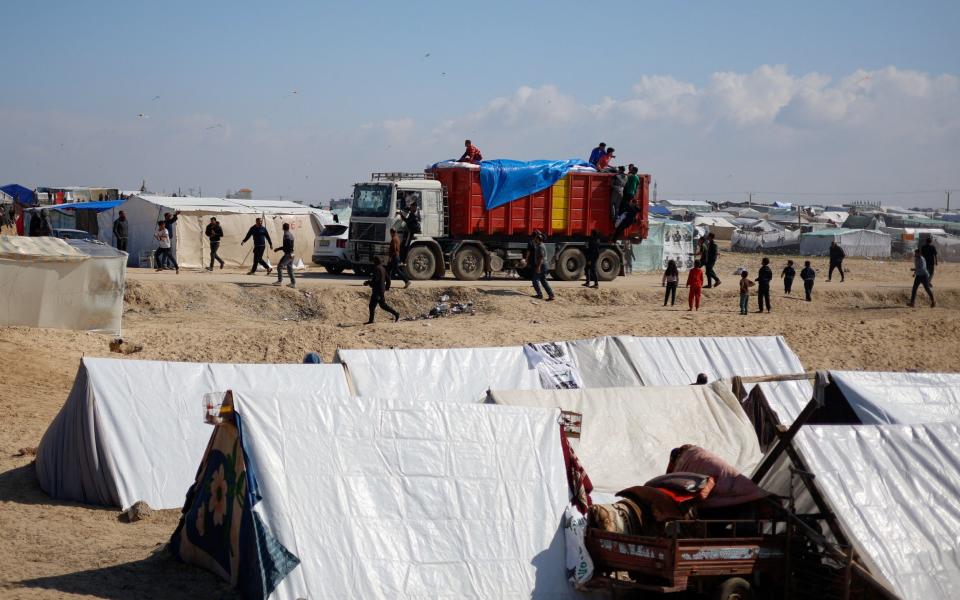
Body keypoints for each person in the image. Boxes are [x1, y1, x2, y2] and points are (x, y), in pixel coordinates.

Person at [365, 256, 400, 323]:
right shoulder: (383, 268)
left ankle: (371, 320)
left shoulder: (377, 269)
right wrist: (387, 287)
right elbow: (388, 279)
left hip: (377, 290)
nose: (373, 263)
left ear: (376, 262)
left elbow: (376, 280)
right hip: (381, 289)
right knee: (383, 305)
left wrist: (368, 282)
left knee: (372, 305)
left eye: (374, 261)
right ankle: (396, 314)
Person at [530, 233, 554, 301]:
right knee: (543, 280)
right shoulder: (541, 245)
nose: (534, 239)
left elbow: (540, 257)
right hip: (544, 265)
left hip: (542, 265)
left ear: (538, 239)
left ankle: (539, 295)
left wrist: (538, 267)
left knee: (535, 280)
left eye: (535, 238)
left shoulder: (540, 246)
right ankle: (551, 295)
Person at [273, 222, 296, 287]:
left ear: (283, 228)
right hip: (292, 253)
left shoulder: (286, 235)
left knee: (280, 266)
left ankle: (279, 281)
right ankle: (293, 283)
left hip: (288, 254)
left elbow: (287, 245)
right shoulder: (291, 234)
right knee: (290, 269)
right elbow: (290, 245)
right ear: (288, 228)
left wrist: (278, 249)